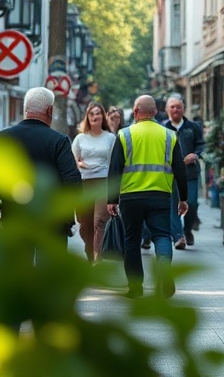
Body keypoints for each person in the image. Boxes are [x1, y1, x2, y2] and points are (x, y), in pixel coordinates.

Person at [107, 94, 188, 298]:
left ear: (135, 112)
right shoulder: (169, 135)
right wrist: (183, 198)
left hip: (131, 197)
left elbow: (115, 169)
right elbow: (180, 170)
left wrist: (111, 200)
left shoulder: (124, 135)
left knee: (132, 240)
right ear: (155, 112)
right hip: (160, 195)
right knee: (162, 236)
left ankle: (135, 288)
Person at [0, 87, 82, 240]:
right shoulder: (59, 141)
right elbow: (72, 182)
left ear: (25, 109)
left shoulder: (1, 138)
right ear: (50, 110)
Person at [71, 102, 116, 262]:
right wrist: (79, 164)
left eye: (97, 113)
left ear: (103, 116)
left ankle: (98, 256)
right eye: (91, 114)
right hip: (84, 183)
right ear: (87, 117)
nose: (94, 116)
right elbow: (73, 160)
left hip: (104, 182)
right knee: (85, 223)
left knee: (100, 221)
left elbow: (114, 163)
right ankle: (90, 252)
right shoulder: (80, 138)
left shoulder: (110, 138)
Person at [162, 94, 204, 249]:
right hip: (170, 173)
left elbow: (201, 144)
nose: (175, 109)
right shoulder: (163, 128)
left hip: (190, 173)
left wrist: (195, 154)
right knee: (173, 204)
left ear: (183, 108)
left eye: (178, 107)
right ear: (167, 109)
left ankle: (187, 230)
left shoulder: (193, 127)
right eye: (172, 107)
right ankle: (178, 236)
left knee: (191, 203)